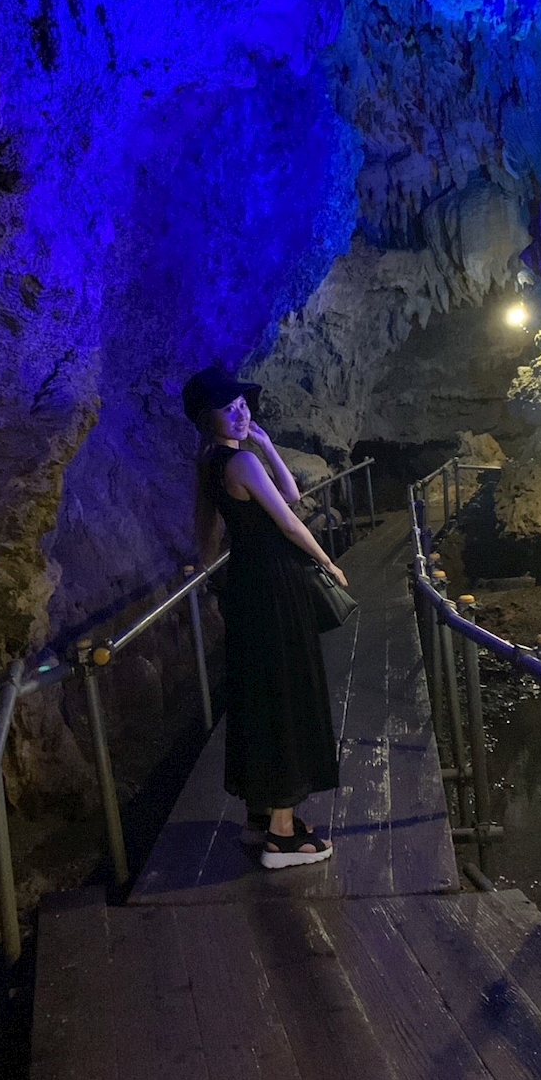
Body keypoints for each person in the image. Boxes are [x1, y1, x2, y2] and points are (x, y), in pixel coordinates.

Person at [182, 365, 348, 868]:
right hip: (275, 584)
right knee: (287, 695)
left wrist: (266, 443)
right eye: (227, 408)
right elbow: (292, 521)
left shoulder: (212, 463)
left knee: (259, 694)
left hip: (248, 586)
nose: (239, 413)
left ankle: (260, 818)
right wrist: (328, 563)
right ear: (207, 417)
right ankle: (282, 835)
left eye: (242, 405)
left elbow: (281, 497)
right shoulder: (241, 463)